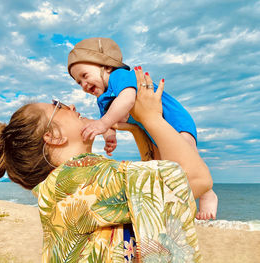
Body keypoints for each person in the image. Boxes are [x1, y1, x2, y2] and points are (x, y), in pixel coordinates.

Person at [0, 68, 212, 262]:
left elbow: (156, 180)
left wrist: (138, 127)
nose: (72, 106)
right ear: (54, 137)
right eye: (59, 106)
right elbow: (195, 179)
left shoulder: (64, 187)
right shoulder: (86, 179)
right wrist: (151, 117)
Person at [68, 37, 217, 221]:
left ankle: (208, 193)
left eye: (84, 75)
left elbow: (127, 99)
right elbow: (109, 120)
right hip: (152, 130)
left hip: (174, 119)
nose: (83, 85)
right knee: (168, 169)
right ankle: (184, 204)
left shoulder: (119, 76)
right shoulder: (102, 98)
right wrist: (109, 136)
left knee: (187, 152)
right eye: (78, 83)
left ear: (106, 66)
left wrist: (103, 124)